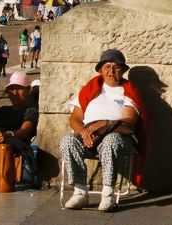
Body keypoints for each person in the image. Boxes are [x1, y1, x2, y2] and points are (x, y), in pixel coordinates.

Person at [60, 49, 149, 212]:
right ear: (100, 69)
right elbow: (74, 119)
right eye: (107, 67)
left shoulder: (128, 91)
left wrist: (104, 124)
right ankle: (80, 192)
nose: (111, 71)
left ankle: (107, 195)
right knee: (68, 140)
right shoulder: (90, 89)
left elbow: (129, 122)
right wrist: (83, 132)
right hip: (89, 136)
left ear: (122, 70)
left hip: (119, 137)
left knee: (110, 141)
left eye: (116, 67)